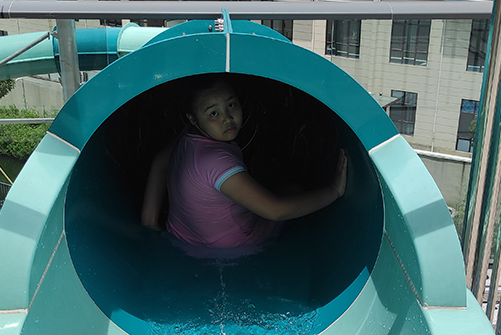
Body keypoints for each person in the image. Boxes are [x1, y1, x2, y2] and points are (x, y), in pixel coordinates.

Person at [141, 75, 347, 250]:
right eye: (214, 113)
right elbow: (276, 211)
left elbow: (160, 162)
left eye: (231, 105)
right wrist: (334, 191)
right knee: (293, 191)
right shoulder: (217, 162)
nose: (227, 118)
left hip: (181, 239)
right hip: (234, 249)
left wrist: (149, 221)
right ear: (193, 119)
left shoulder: (189, 135)